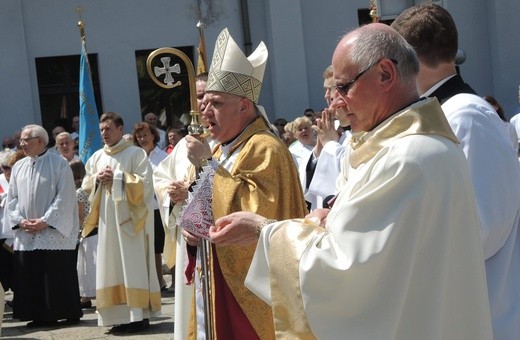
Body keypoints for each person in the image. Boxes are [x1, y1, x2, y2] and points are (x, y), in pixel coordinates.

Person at [209, 23, 493, 339]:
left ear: (385, 74)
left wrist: (264, 230)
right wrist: (332, 220)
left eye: (344, 87)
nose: (336, 103)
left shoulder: (406, 158)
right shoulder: (421, 147)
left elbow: (345, 273)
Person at [392, 5, 520, 339]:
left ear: (411, 59)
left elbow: (483, 229)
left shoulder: (466, 116)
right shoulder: (443, 111)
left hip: (485, 314)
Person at [180, 27, 308, 339]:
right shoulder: (221, 147)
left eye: (216, 103)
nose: (205, 111)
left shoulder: (265, 147)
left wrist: (207, 166)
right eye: (205, 103)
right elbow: (203, 200)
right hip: (216, 274)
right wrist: (192, 231)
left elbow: (255, 214)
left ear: (244, 106)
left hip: (251, 284)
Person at [82, 112, 160, 334]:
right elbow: (87, 185)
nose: (104, 134)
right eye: (101, 130)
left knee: (131, 266)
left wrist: (117, 178)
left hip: (130, 223)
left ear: (120, 128)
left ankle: (138, 317)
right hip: (108, 223)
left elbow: (146, 185)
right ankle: (117, 315)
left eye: (108, 129)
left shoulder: (135, 154)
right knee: (111, 266)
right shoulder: (96, 157)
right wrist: (98, 179)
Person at [5, 124, 82, 327]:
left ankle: (61, 311)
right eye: (21, 140)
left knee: (54, 273)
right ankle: (37, 314)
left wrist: (45, 221)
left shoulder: (59, 164)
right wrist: (20, 220)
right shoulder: (19, 166)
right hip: (26, 231)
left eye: (25, 140)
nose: (21, 144)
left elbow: (65, 196)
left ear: (40, 141)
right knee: (31, 273)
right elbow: (11, 198)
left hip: (52, 232)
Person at [153, 71, 209, 340]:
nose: (203, 104)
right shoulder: (184, 144)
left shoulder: (230, 138)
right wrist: (170, 192)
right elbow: (160, 176)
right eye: (198, 97)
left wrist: (191, 192)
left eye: (208, 96)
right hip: (186, 236)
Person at [132, 122, 168, 291]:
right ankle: (156, 282)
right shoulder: (137, 157)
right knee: (149, 248)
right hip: (143, 208)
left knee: (163, 246)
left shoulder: (162, 157)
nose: (142, 139)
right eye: (139, 136)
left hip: (160, 206)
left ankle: (170, 282)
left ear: (153, 135)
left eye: (145, 135)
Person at [70, 160, 97, 310]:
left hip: (87, 230)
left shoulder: (79, 192)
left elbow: (80, 215)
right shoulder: (93, 188)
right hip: (97, 229)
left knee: (86, 266)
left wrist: (78, 231)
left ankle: (86, 296)